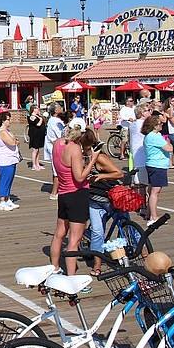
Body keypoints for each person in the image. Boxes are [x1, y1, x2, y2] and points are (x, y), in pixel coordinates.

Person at [50, 119, 99, 278]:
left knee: (59, 234)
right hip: (76, 195)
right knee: (74, 240)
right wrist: (92, 160)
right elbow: (79, 177)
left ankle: (55, 267)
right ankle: (71, 277)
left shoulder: (58, 143)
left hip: (63, 194)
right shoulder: (75, 149)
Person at [79, 129, 123, 276]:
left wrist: (101, 176)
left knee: (125, 227)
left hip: (109, 198)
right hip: (94, 200)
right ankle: (97, 265)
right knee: (97, 233)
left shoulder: (100, 158)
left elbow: (119, 173)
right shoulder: (84, 157)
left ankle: (145, 256)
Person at [143, 114, 173, 225]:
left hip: (153, 164)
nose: (162, 125)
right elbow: (169, 148)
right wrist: (168, 143)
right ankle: (153, 217)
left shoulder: (152, 135)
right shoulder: (154, 136)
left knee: (151, 190)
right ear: (154, 125)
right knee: (155, 192)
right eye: (160, 123)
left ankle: (149, 213)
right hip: (157, 166)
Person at [0, 111, 20, 211]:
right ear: (3, 121)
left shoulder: (8, 131)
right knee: (4, 180)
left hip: (11, 159)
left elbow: (15, 141)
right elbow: (12, 142)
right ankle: (2, 201)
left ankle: (8, 199)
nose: (10, 121)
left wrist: (15, 140)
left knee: (9, 180)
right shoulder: (2, 132)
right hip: (4, 160)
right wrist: (15, 140)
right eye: (8, 120)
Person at [44, 102, 66, 200]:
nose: (62, 108)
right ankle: (54, 192)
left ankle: (57, 189)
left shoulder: (55, 120)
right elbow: (60, 134)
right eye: (60, 107)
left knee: (56, 170)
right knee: (57, 170)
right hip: (55, 148)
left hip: (54, 147)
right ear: (56, 111)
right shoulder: (54, 121)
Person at [129, 104, 151, 185]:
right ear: (142, 113)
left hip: (135, 155)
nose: (150, 112)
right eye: (148, 110)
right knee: (143, 183)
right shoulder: (143, 125)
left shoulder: (133, 124)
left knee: (137, 181)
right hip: (142, 156)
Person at [27, 104, 47, 170]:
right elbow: (38, 124)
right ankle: (34, 165)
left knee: (38, 150)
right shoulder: (33, 117)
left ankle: (37, 163)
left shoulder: (38, 116)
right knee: (35, 149)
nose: (38, 109)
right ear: (34, 110)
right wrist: (41, 119)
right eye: (37, 108)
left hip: (39, 134)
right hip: (34, 135)